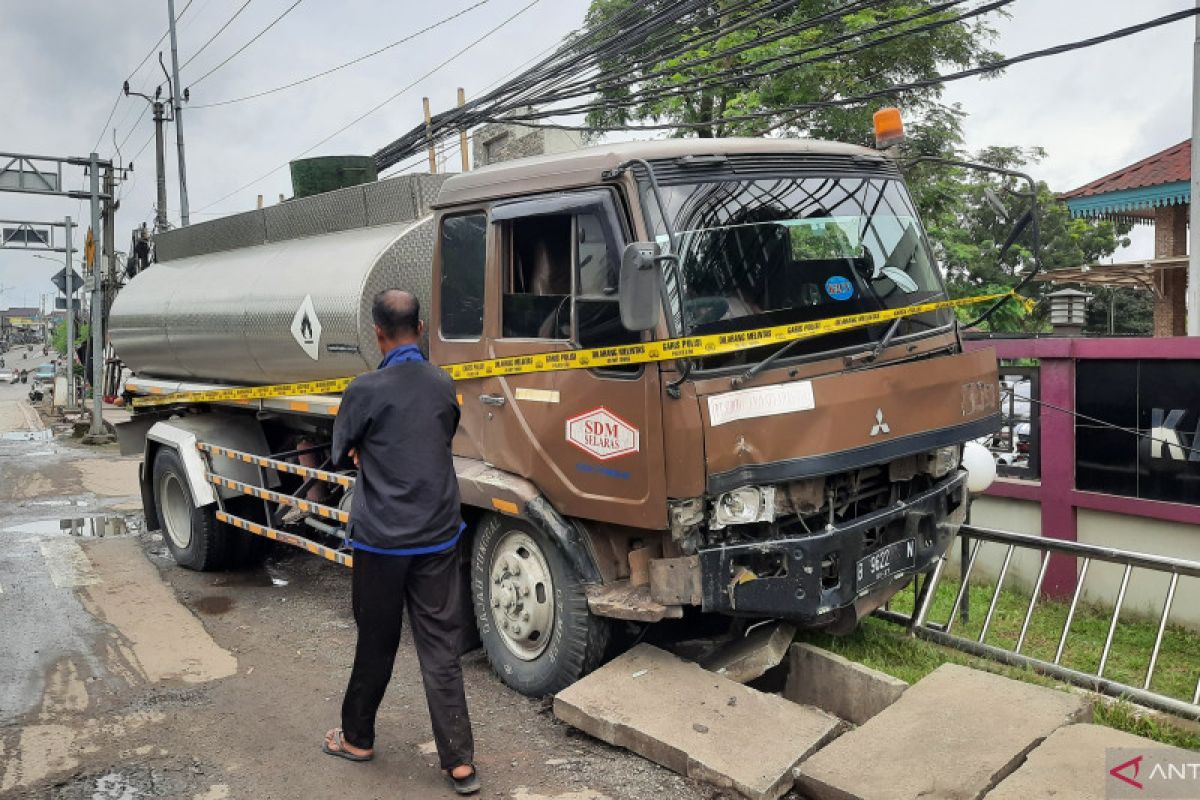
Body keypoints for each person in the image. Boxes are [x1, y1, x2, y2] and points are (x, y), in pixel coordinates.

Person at [321, 288, 479, 795]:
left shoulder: (364, 388)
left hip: (382, 542)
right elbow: (440, 433)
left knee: (377, 642)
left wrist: (364, 450)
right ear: (422, 327)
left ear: (378, 333)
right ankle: (459, 762)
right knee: (440, 649)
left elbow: (338, 448)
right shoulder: (442, 383)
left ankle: (357, 739)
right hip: (436, 536)